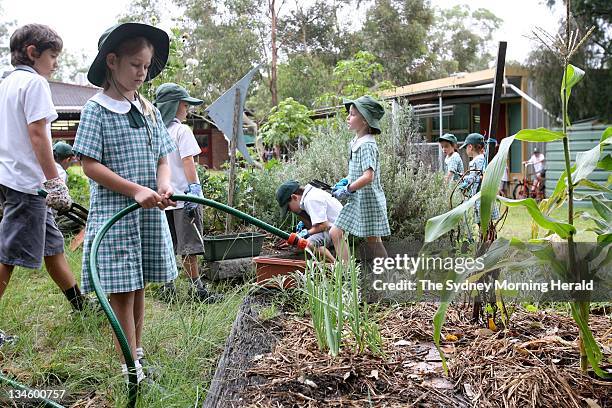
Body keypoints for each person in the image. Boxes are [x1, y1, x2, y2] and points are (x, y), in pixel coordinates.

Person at [72, 23, 177, 384]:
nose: (142, 73)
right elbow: (89, 164)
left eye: (146, 67)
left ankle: (136, 350)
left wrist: (164, 185)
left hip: (147, 213)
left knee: (139, 282)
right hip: (117, 215)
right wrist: (134, 190)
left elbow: (163, 156)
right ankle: (129, 363)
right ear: (112, 62)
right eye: (135, 65)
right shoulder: (96, 110)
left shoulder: (147, 109)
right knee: (122, 288)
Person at [0, 24, 92, 330]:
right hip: (27, 184)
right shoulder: (35, 83)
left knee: (52, 247)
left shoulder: (6, 84)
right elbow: (39, 135)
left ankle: (81, 305)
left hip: (14, 180)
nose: (55, 63)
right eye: (52, 56)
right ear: (32, 53)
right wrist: (55, 181)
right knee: (8, 256)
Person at [153, 82, 220, 303]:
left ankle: (168, 287)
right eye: (185, 105)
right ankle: (197, 289)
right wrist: (195, 189)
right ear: (174, 106)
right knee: (189, 247)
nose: (187, 110)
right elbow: (188, 161)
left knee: (168, 245)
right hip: (184, 199)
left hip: (162, 200)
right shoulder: (182, 130)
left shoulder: (156, 132)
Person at [330, 95, 390, 263]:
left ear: (365, 121)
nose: (348, 117)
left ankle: (389, 276)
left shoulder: (367, 145)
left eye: (353, 114)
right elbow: (357, 173)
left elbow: (368, 176)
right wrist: (345, 181)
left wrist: (348, 189)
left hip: (367, 200)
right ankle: (348, 275)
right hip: (358, 198)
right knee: (336, 232)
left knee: (374, 242)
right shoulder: (357, 141)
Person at [275, 180, 343, 262]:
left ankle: (335, 266)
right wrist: (300, 214)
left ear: (294, 197)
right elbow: (313, 226)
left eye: (288, 208)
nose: (290, 211)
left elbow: (323, 225)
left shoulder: (310, 200)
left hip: (336, 229)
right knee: (303, 243)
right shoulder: (310, 195)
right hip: (333, 227)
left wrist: (303, 234)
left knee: (308, 243)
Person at [459, 133, 500, 224]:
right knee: (481, 222)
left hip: (482, 196)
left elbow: (482, 176)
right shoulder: (477, 160)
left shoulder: (479, 159)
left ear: (470, 147)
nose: (466, 150)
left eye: (466, 147)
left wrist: (467, 179)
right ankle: (484, 237)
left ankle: (488, 238)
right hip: (477, 196)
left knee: (485, 223)